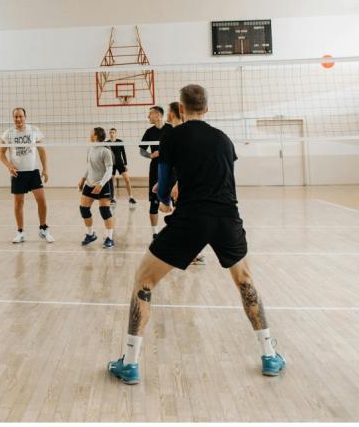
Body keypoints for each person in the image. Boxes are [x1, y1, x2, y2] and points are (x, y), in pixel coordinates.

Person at [107, 84, 286, 385]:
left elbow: (163, 184)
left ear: (181, 106)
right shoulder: (224, 140)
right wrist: (184, 188)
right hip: (227, 217)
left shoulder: (172, 135)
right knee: (245, 281)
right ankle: (269, 355)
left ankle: (129, 362)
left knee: (144, 281)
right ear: (207, 108)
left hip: (191, 218)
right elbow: (222, 180)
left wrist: (165, 199)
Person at [0, 107, 52, 244]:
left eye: (20, 116)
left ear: (25, 117)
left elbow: (42, 151)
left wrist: (45, 169)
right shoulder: (8, 133)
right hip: (18, 173)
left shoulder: (33, 130)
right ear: (13, 118)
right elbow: (1, 153)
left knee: (42, 200)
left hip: (33, 171)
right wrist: (9, 166)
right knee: (18, 203)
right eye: (15, 117)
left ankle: (43, 229)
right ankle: (20, 232)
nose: (18, 119)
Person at [162, 101, 204, 266]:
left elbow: (192, 164)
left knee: (187, 218)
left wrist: (178, 184)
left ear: (173, 113)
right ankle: (189, 252)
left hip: (186, 184)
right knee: (182, 218)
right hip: (178, 182)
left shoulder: (184, 134)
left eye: (167, 111)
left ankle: (194, 253)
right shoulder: (173, 133)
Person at [139, 106, 172, 241]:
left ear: (158, 115)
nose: (148, 117)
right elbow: (142, 151)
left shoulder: (171, 129)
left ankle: (176, 231)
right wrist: (150, 155)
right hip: (155, 169)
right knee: (154, 202)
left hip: (171, 169)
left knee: (176, 200)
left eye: (150, 114)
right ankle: (155, 234)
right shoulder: (149, 132)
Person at [79, 127, 115, 248]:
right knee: (84, 209)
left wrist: (100, 185)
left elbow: (109, 171)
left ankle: (110, 237)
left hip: (103, 185)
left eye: (91, 133)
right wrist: (83, 179)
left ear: (95, 136)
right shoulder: (90, 149)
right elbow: (90, 168)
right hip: (89, 184)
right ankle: (90, 234)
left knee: (105, 211)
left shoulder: (105, 151)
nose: (89, 134)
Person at [107, 128, 137, 210]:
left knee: (127, 180)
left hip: (120, 163)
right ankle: (112, 197)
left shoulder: (120, 142)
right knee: (111, 181)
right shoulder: (107, 143)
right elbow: (105, 154)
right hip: (111, 164)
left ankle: (130, 197)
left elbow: (123, 153)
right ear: (109, 134)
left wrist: (125, 164)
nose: (112, 134)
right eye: (110, 133)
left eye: (113, 132)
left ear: (116, 134)